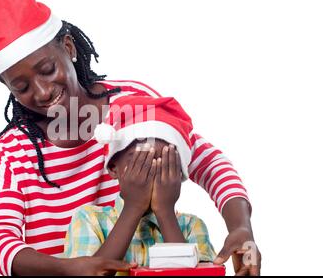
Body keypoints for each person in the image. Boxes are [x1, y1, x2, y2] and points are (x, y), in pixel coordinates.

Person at [0, 0, 261, 276]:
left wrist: (240, 228)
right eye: (22, 87)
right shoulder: (15, 150)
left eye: (47, 70)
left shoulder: (131, 105)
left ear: (68, 48)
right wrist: (67, 269)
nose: (42, 91)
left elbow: (208, 162)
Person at [64, 96, 217, 269]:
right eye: (140, 161)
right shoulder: (89, 219)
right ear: (114, 168)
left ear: (179, 173)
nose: (151, 171)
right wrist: (133, 207)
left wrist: (165, 211)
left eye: (163, 162)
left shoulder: (192, 226)